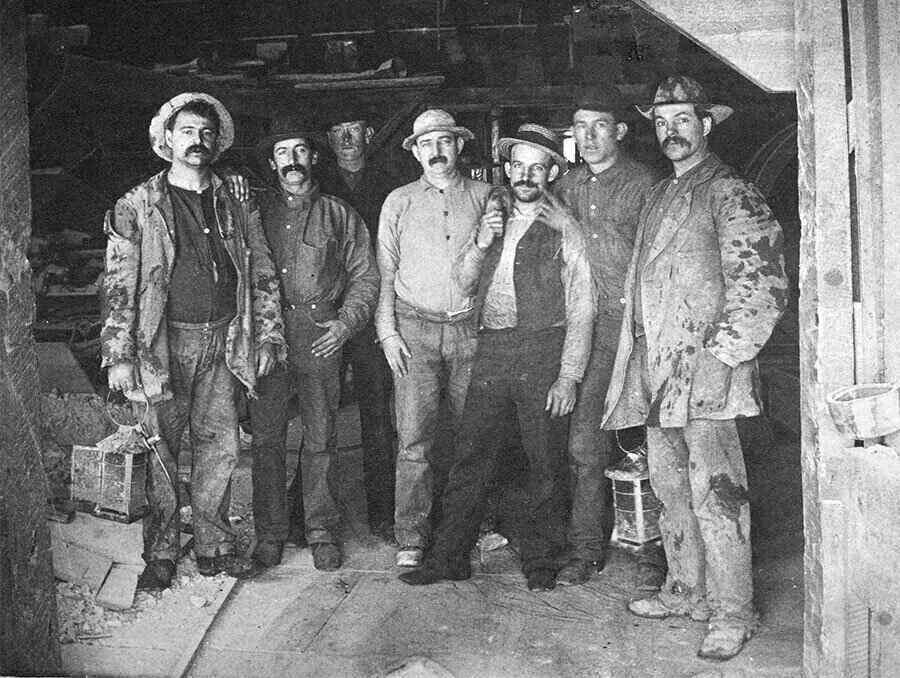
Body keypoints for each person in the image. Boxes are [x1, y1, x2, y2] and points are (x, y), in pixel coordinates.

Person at [603, 75, 788, 660]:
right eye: (661, 122)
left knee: (718, 493)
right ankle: (685, 589)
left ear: (707, 125)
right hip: (660, 376)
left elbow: (762, 285)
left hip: (707, 375)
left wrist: (723, 359)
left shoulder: (729, 190)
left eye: (683, 119)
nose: (670, 132)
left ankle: (733, 611)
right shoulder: (661, 194)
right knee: (670, 488)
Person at [399, 124, 595, 591]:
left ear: (551, 171)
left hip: (542, 349)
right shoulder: (494, 212)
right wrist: (483, 242)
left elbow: (583, 305)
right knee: (471, 454)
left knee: (542, 457)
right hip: (492, 346)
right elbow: (465, 282)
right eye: (519, 166)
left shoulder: (565, 226)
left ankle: (542, 560)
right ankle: (448, 557)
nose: (526, 175)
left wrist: (568, 375)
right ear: (507, 169)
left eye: (537, 166)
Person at [101, 92, 285, 589]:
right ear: (167, 139)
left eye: (206, 133)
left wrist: (266, 333)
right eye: (187, 132)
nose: (197, 141)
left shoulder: (237, 199)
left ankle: (214, 545)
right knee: (162, 446)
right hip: (160, 344)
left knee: (219, 445)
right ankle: (161, 551)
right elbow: (118, 284)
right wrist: (119, 355)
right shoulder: (139, 204)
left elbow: (262, 269)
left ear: (218, 141)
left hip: (225, 338)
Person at [247, 117, 379, 571]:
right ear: (272, 163)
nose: (292, 162)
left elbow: (366, 274)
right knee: (266, 439)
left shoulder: (339, 213)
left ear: (314, 157)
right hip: (266, 337)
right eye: (282, 154)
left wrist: (346, 323)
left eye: (300, 151)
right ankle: (271, 534)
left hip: (320, 335)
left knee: (322, 436)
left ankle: (322, 530)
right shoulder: (255, 212)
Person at [551, 85, 660, 586]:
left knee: (658, 441)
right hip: (589, 329)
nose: (588, 136)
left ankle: (662, 552)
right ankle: (586, 548)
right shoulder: (569, 188)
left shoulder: (645, 185)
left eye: (599, 126)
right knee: (584, 446)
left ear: (620, 131)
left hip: (638, 327)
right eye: (580, 126)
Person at [376, 109, 491, 567]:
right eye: (427, 144)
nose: (437, 151)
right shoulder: (398, 202)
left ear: (459, 146)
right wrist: (387, 332)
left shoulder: (486, 197)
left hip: (469, 331)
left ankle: (467, 529)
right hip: (414, 330)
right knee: (414, 438)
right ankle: (412, 537)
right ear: (416, 152)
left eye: (445, 141)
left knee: (473, 435)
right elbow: (384, 272)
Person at [319, 109, 401, 541]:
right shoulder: (317, 184)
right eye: (338, 131)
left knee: (376, 416)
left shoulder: (391, 183)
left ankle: (384, 514)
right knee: (320, 419)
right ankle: (308, 518)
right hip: (324, 317)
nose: (347, 138)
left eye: (353, 130)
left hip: (371, 314)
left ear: (369, 134)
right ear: (329, 141)